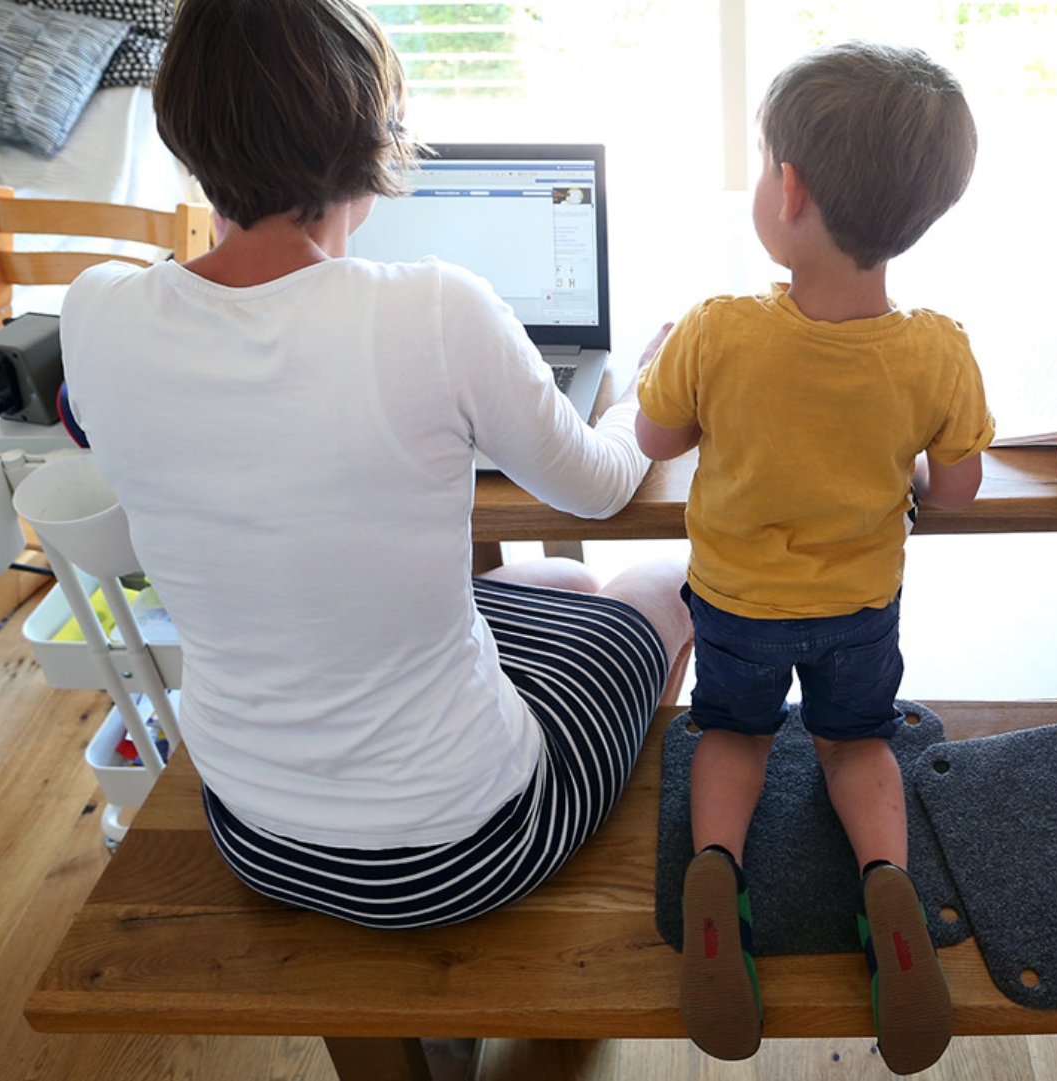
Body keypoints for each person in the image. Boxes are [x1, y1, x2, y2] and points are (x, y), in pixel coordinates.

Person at [58, 0, 692, 931]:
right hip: (468, 846)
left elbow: (93, 426)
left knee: (553, 578)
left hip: (253, 827)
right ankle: (605, 877)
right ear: (368, 136)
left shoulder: (96, 308)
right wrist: (647, 388)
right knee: (665, 579)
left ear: (188, 138)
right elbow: (600, 487)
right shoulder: (433, 307)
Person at [634, 41, 990, 1074]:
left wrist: (657, 365)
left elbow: (654, 442)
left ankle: (715, 868)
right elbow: (957, 488)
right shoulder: (935, 347)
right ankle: (887, 881)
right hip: (860, 608)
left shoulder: (716, 331)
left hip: (740, 607)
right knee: (855, 742)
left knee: (736, 736)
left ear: (788, 189)